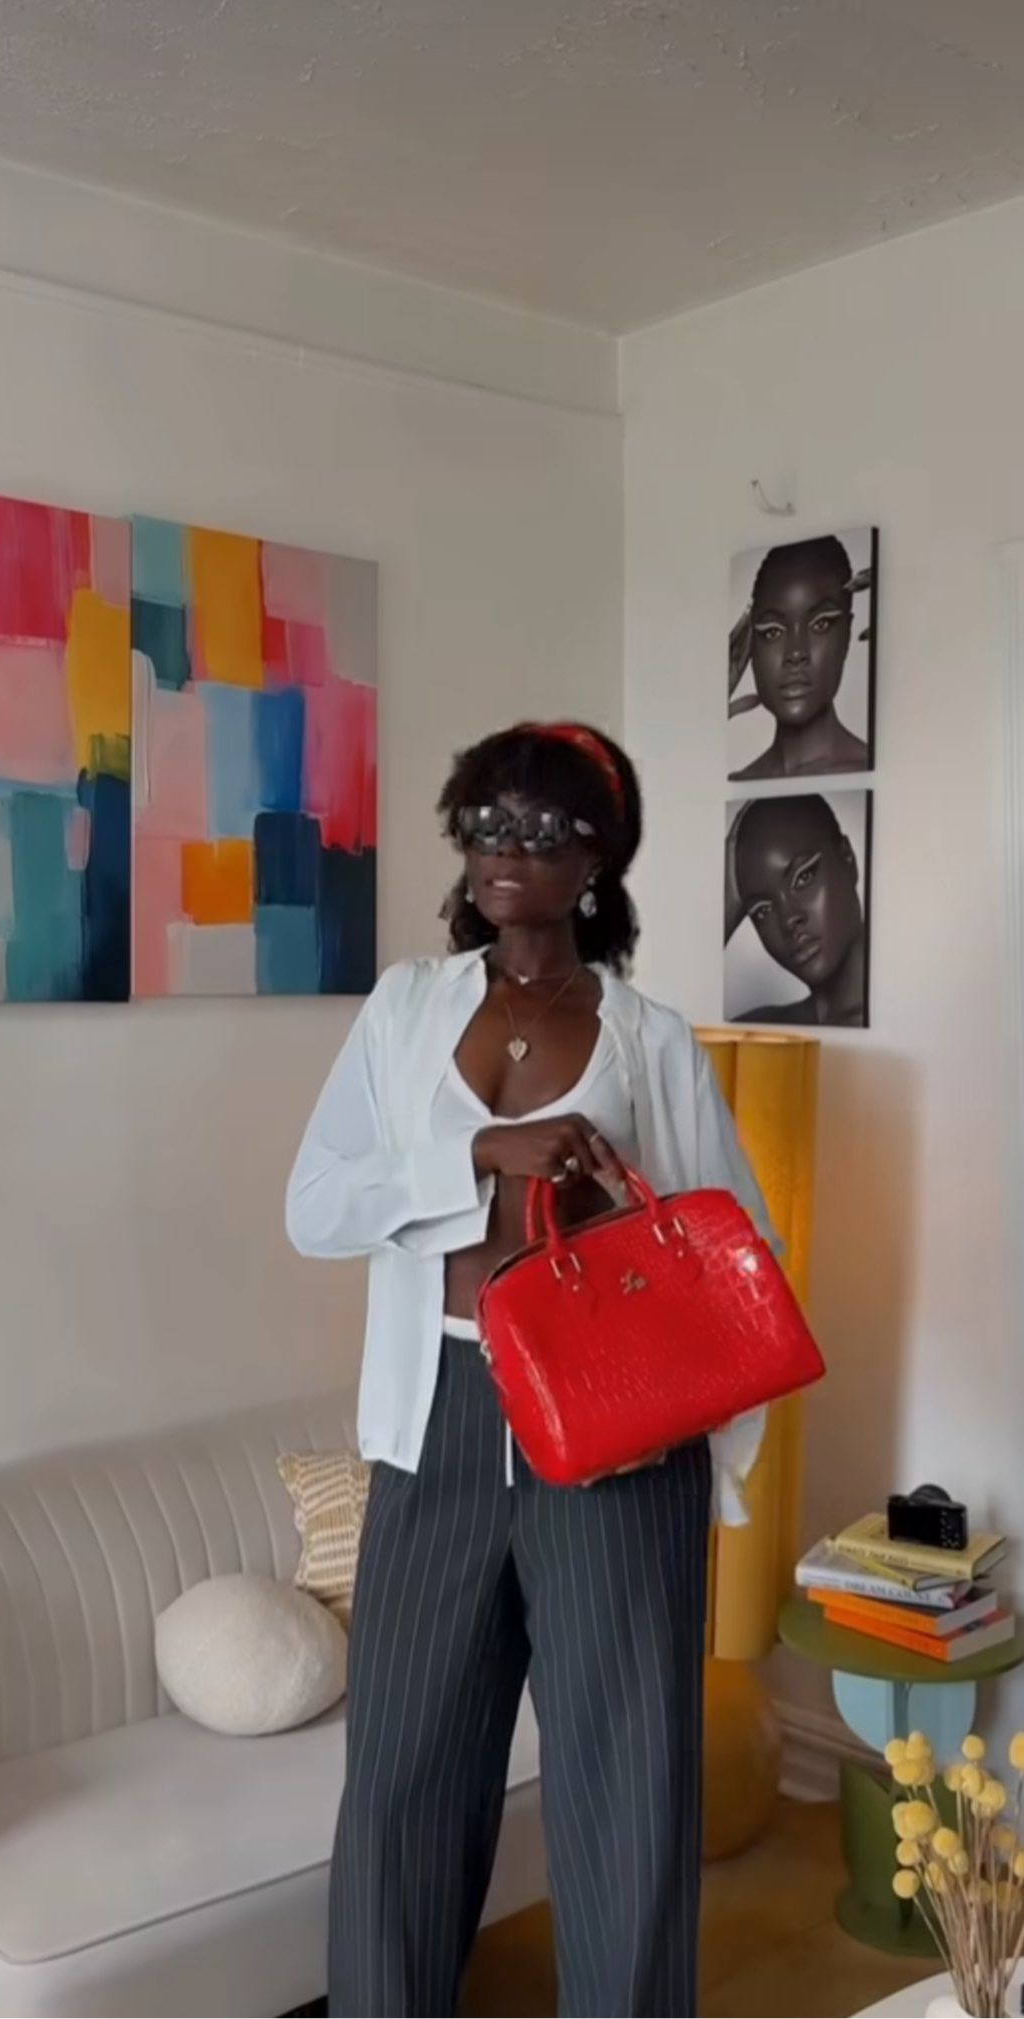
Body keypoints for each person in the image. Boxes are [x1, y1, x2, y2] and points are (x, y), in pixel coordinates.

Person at [286, 722, 778, 2019]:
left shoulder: (648, 1039)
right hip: (436, 1420)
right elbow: (317, 1206)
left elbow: (741, 1256)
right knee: (400, 1779)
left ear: (597, 862)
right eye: (488, 823)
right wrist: (476, 1154)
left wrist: (688, 1429)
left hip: (616, 1443)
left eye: (546, 830)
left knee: (625, 1790)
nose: (509, 850)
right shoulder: (404, 1008)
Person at [728, 534, 872, 781]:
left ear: (847, 634)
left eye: (820, 624)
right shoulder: (739, 780)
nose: (795, 654)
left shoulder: (868, 769)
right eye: (773, 632)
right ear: (750, 645)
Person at [724, 793, 868, 1027]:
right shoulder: (760, 1027)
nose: (788, 919)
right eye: (763, 910)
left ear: (847, 858)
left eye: (803, 877)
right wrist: (728, 904)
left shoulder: (911, 1017)